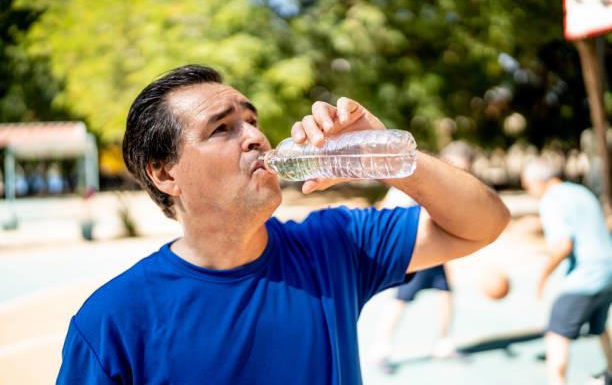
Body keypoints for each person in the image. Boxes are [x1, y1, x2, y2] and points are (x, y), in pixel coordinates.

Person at [57, 65, 510, 384]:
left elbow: (484, 223)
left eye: (250, 120)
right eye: (222, 129)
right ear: (164, 173)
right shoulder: (113, 320)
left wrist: (388, 155)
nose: (255, 136)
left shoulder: (334, 245)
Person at [373, 141, 474, 370]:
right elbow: (386, 216)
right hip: (412, 251)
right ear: (443, 161)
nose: (460, 172)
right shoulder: (414, 181)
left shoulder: (450, 187)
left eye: (464, 169)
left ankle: (444, 344)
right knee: (400, 300)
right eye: (457, 166)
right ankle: (381, 350)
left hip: (434, 251)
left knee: (446, 293)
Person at [521, 158, 612, 385]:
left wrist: (543, 276)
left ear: (538, 181)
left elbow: (563, 245)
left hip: (584, 277)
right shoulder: (580, 191)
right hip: (608, 271)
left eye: (527, 185)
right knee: (599, 327)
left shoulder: (550, 201)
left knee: (556, 335)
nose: (529, 191)